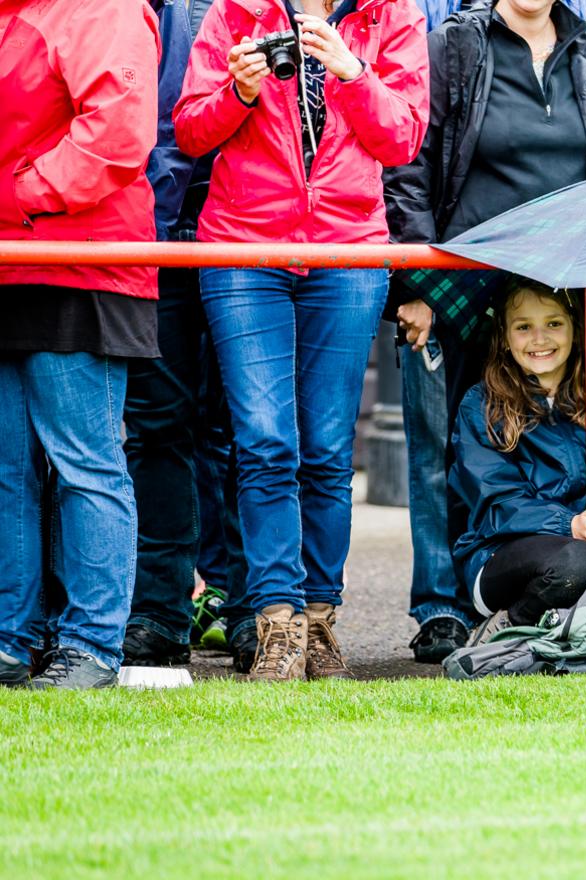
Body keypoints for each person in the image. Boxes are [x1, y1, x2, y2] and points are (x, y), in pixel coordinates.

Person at [384, 0, 586, 659]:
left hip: (569, 283)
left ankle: (564, 577)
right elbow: (411, 158)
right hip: (462, 278)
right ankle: (441, 607)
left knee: (553, 433)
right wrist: (414, 285)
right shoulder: (455, 44)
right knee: (436, 452)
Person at [175, 0, 429, 681]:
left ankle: (320, 620)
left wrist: (350, 71)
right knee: (263, 441)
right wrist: (239, 93)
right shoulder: (235, 12)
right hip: (244, 249)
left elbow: (404, 137)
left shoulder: (390, 16)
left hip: (347, 253)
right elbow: (191, 132)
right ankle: (276, 623)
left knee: (323, 447)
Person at [0, 0, 160, 689]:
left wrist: (15, 194)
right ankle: (13, 636)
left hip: (82, 263)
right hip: (16, 256)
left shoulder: (100, 7)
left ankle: (91, 645)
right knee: (7, 469)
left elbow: (116, 136)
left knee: (82, 465)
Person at [122, 0, 250, 669]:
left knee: (248, 428)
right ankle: (162, 611)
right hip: (164, 236)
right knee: (160, 426)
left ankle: (250, 606)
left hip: (250, 236)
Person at [449, 282, 586, 640]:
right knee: (574, 561)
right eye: (523, 327)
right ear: (505, 337)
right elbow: (498, 504)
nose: (540, 339)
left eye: (554, 323)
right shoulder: (481, 404)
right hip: (502, 552)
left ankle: (582, 626)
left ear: (576, 329)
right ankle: (509, 625)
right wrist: (572, 524)